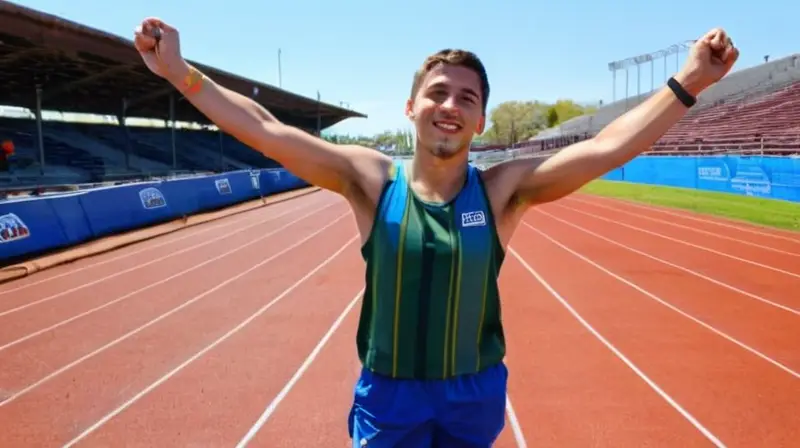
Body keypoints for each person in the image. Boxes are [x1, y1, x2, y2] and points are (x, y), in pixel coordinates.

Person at [133, 20, 738, 448]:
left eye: (466, 98)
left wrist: (688, 82)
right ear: (411, 107)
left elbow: (606, 146)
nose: (450, 105)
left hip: (472, 392)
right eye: (437, 93)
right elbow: (265, 129)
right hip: (390, 394)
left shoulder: (502, 191)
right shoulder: (370, 180)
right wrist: (180, 73)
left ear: (480, 120)